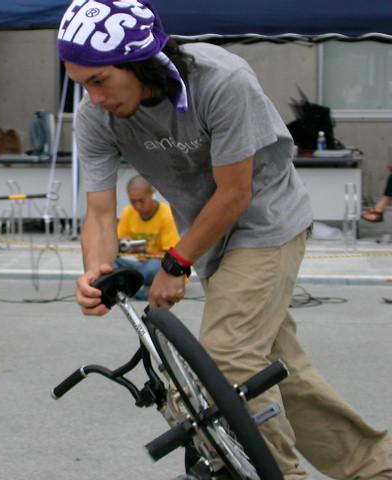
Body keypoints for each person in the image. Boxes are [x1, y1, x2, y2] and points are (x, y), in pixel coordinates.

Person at [57, 1, 392, 478]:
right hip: (211, 240)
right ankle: (377, 467)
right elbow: (100, 211)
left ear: (141, 61)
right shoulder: (96, 116)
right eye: (81, 84)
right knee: (278, 372)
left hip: (267, 222)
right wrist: (96, 270)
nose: (93, 97)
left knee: (228, 358)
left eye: (99, 80)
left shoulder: (220, 81)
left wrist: (176, 263)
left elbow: (236, 193)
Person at [115, 175, 180, 300]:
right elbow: (117, 246)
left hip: (159, 265)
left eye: (141, 201)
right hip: (137, 264)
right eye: (133, 201)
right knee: (107, 262)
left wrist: (143, 250)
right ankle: (136, 286)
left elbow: (173, 258)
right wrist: (121, 244)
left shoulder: (167, 215)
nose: (137, 206)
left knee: (153, 266)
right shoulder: (128, 212)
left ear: (152, 194)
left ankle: (127, 285)